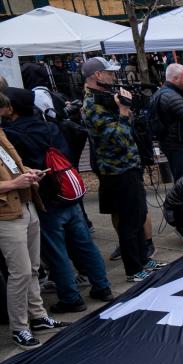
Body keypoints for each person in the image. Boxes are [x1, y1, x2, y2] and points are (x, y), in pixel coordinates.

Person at [2, 87, 113, 313]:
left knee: (56, 252)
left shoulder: (11, 134)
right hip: (68, 193)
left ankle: (71, 298)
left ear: (11, 108)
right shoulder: (50, 127)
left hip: (46, 199)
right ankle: (102, 287)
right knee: (84, 244)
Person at [81, 56, 165, 283]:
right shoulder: (91, 105)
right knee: (128, 220)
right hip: (116, 171)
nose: (113, 76)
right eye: (109, 72)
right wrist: (123, 112)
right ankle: (133, 269)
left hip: (129, 165)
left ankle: (143, 259)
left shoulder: (106, 97)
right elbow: (116, 137)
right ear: (98, 75)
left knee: (138, 215)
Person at [0, 93, 70, 349]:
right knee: (19, 272)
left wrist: (27, 172)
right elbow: (9, 177)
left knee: (32, 268)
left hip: (27, 204)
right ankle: (19, 327)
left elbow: (13, 164)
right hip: (7, 214)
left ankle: (38, 315)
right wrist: (13, 183)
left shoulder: (2, 134)